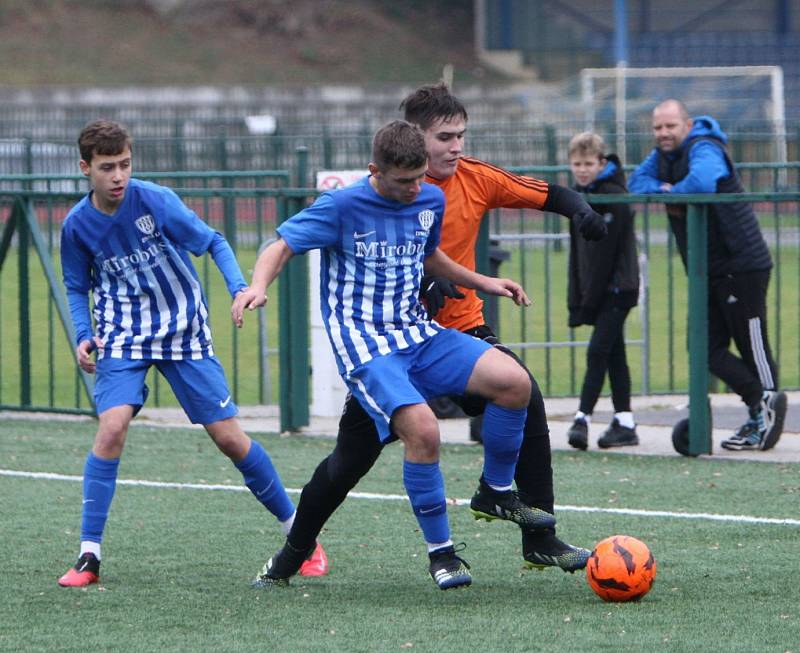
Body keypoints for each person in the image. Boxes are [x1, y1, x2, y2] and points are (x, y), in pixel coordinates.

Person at [245, 84, 609, 589]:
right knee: (352, 462)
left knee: (520, 388)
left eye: (461, 135)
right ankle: (299, 551)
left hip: (437, 334)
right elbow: (282, 244)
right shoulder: (350, 203)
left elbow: (436, 249)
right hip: (376, 348)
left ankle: (521, 518)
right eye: (445, 137)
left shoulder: (444, 190)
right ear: (403, 149)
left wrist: (492, 275)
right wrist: (258, 287)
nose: (454, 148)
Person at [57, 120, 326, 587]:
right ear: (86, 169)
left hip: (184, 329)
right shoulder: (77, 225)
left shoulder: (154, 200)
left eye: (124, 164)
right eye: (107, 168)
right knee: (112, 427)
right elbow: (77, 286)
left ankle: (300, 539)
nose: (118, 176)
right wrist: (83, 334)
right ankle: (88, 555)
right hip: (123, 335)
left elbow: (214, 242)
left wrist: (239, 287)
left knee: (228, 439)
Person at [629, 99, 787, 451]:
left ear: (687, 124)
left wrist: (672, 191)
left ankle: (766, 411)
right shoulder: (664, 155)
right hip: (708, 268)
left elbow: (702, 182)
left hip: (740, 262)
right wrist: (665, 189)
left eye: (670, 126)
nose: (663, 134)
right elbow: (636, 181)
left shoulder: (705, 147)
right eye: (657, 128)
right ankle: (759, 405)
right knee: (705, 349)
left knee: (752, 344)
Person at [565, 132, 640, 450]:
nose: (582, 169)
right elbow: (579, 255)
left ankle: (582, 417)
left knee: (598, 351)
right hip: (598, 288)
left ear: (601, 162)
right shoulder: (579, 196)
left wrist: (587, 302)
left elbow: (607, 256)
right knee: (613, 354)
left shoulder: (613, 196)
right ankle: (625, 420)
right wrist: (577, 297)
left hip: (616, 287)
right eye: (576, 164)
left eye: (588, 163)